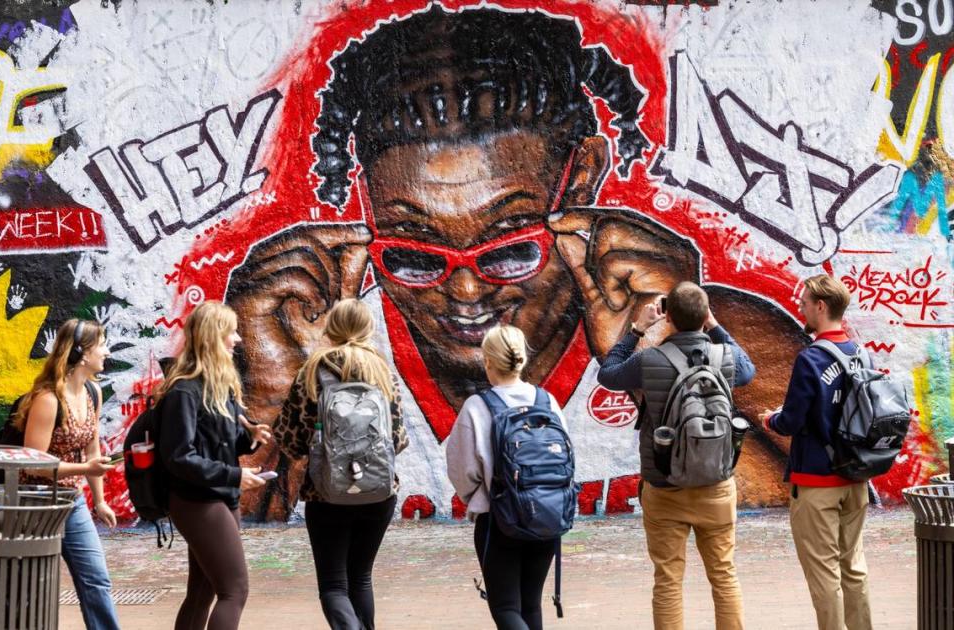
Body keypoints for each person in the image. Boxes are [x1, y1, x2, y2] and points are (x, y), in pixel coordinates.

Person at [226, 5, 807, 520]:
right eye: (413, 252)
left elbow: (789, 510)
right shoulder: (315, 342)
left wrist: (667, 356)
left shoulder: (734, 335)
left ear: (579, 180)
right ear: (365, 208)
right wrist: (269, 395)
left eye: (509, 247)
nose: (465, 290)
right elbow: (242, 531)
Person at [597, 282, 754, 630]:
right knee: (724, 576)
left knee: (668, 580)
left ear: (667, 318)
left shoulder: (649, 360)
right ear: (705, 314)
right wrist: (714, 326)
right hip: (716, 483)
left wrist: (637, 328)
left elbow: (607, 374)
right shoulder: (724, 357)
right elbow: (748, 369)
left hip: (664, 485)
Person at [273, 298, 409, 630]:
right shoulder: (381, 371)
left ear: (332, 327)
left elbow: (290, 439)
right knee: (360, 577)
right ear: (367, 328)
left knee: (334, 585)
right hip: (378, 493)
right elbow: (399, 439)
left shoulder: (313, 371)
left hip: (326, 493)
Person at [758, 275, 872, 630]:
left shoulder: (810, 359)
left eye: (805, 302)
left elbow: (791, 421)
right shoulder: (861, 353)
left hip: (817, 481)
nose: (801, 307)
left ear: (821, 307)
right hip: (855, 477)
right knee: (853, 566)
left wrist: (770, 419)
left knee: (824, 572)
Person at [156, 300, 272, 630]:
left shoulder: (220, 389)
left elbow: (222, 444)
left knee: (202, 591)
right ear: (213, 336)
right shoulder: (184, 391)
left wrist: (251, 438)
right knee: (234, 591)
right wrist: (234, 475)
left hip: (219, 496)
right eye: (231, 332)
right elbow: (178, 457)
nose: (237, 339)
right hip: (197, 500)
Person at [446, 324, 567, 630]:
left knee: (505, 607)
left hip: (498, 520)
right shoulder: (547, 401)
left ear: (487, 361)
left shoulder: (477, 407)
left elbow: (462, 470)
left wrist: (476, 497)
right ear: (522, 359)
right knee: (530, 605)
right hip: (548, 516)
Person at [17, 318, 120, 630]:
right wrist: (85, 469)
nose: (107, 350)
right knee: (30, 587)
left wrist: (100, 501)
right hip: (36, 504)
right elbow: (33, 463)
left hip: (71, 501)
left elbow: (92, 449)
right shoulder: (49, 399)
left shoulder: (92, 392)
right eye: (101, 344)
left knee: (96, 579)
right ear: (83, 353)